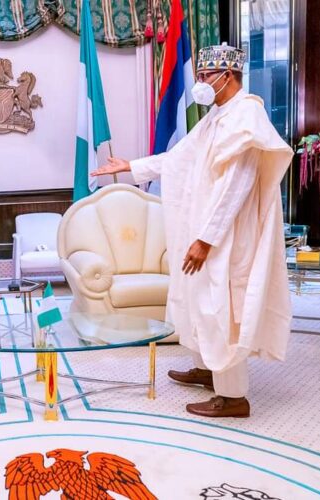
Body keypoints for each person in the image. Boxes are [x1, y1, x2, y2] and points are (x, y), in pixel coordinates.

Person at [92, 44, 293, 418]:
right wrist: (129, 167)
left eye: (204, 77)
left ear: (227, 76)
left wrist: (206, 239)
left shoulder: (246, 116)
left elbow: (238, 184)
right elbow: (178, 158)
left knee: (220, 306)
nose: (199, 83)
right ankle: (208, 370)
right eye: (199, 76)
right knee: (196, 299)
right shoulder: (217, 115)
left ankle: (233, 397)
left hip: (226, 236)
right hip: (206, 231)